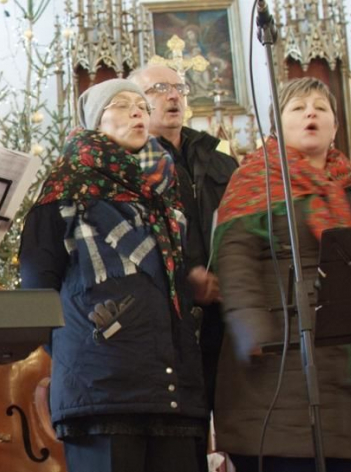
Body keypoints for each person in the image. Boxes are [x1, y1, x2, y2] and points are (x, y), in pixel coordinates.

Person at [20, 78, 206, 472]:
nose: (138, 111)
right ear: (94, 121)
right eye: (121, 105)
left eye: (141, 104)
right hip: (100, 389)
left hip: (173, 386)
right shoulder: (64, 190)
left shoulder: (168, 187)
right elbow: (37, 294)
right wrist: (91, 343)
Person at [212, 77, 351, 471]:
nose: (311, 113)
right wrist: (252, 329)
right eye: (299, 107)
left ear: (335, 127)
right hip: (278, 359)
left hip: (349, 371)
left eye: (321, 108)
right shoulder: (254, 182)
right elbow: (235, 261)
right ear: (277, 124)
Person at [130, 64, 237, 466]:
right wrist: (187, 272)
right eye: (159, 88)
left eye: (179, 88)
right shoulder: (131, 162)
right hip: (168, 319)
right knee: (182, 439)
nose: (173, 96)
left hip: (225, 316)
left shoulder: (216, 156)